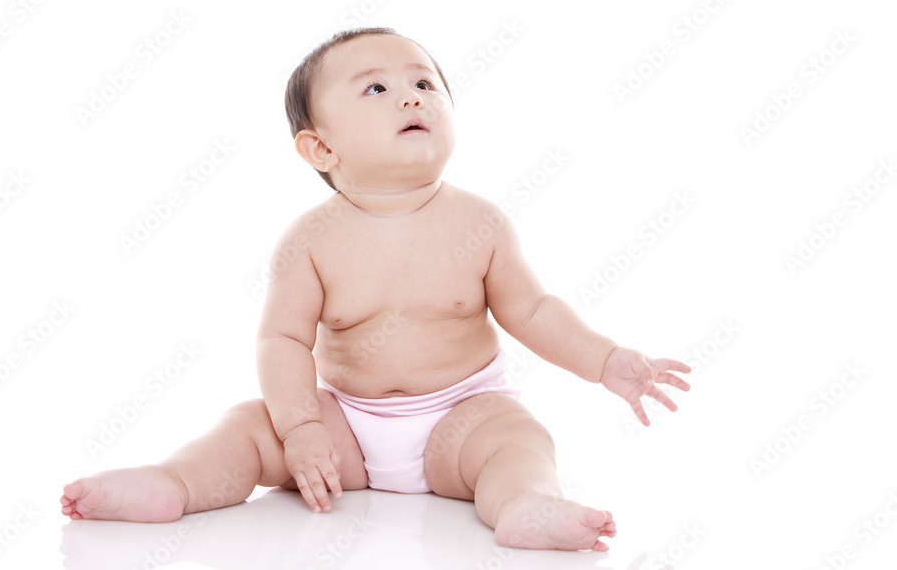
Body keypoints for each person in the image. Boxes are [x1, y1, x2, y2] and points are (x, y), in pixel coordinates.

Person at [60, 27, 691, 551]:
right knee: (249, 428)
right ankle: (175, 482)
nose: (411, 99)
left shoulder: (478, 224)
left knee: (519, 440)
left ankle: (526, 505)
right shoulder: (310, 240)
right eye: (377, 89)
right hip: (346, 433)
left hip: (462, 418)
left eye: (424, 85)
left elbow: (532, 309)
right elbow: (282, 339)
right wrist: (303, 427)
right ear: (320, 147)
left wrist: (605, 361)